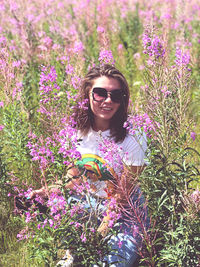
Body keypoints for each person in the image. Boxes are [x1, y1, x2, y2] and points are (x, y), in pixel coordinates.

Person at [30, 64, 148, 266]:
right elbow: (74, 178)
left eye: (116, 95)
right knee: (54, 205)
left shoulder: (134, 135)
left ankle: (88, 248)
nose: (108, 101)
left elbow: (123, 195)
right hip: (89, 202)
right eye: (100, 93)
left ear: (123, 100)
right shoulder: (76, 131)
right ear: (87, 95)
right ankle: (74, 251)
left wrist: (100, 233)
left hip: (126, 212)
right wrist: (49, 191)